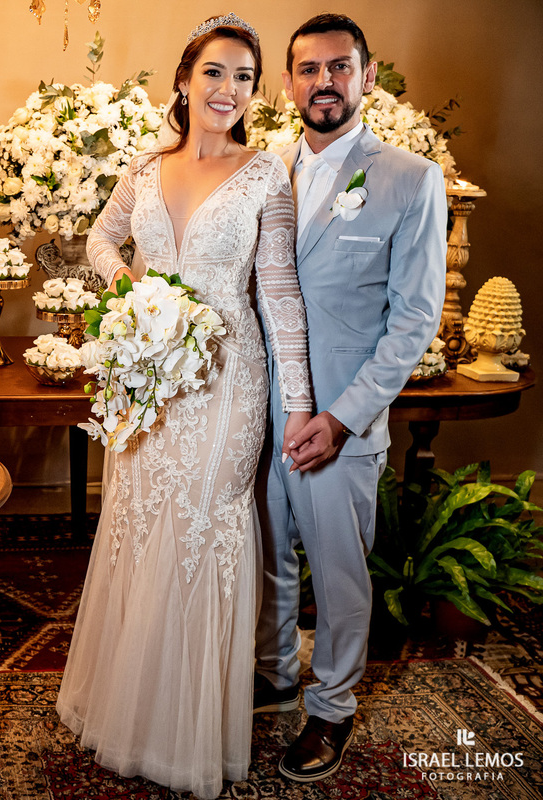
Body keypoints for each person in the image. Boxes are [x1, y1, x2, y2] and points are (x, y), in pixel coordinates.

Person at [56, 13, 313, 799]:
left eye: (243, 77)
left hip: (227, 382)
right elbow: (100, 239)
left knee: (201, 527)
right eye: (214, 72)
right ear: (183, 79)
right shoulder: (143, 165)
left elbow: (279, 296)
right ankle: (130, 704)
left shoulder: (266, 174)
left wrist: (297, 405)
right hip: (147, 377)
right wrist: (126, 286)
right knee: (139, 519)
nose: (228, 89)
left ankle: (189, 724)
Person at [253, 13, 446, 783]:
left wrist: (341, 417)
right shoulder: (264, 173)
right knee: (267, 557)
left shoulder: (408, 178)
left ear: (368, 78)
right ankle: (273, 674)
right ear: (288, 83)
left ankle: (331, 708)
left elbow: (414, 321)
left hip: (341, 418)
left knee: (339, 573)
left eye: (340, 67)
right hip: (257, 413)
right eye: (308, 68)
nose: (323, 81)